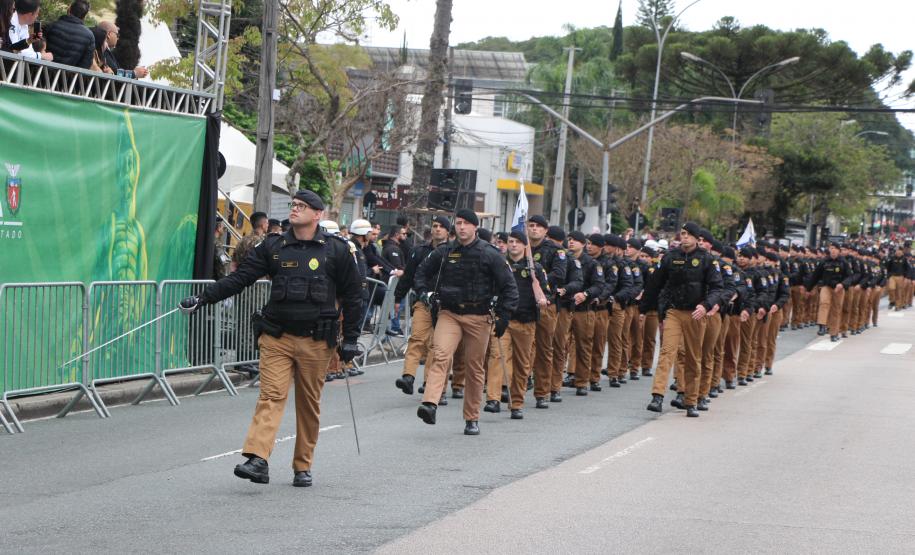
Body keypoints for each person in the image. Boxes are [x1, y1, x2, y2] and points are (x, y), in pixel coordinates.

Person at [178, 190, 361, 487]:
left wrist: (351, 338)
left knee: (308, 404)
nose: (295, 209)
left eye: (303, 206)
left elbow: (354, 295)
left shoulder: (337, 250)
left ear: (318, 214)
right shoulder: (274, 247)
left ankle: (303, 465)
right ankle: (258, 460)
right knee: (271, 397)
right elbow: (241, 278)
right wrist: (203, 297)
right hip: (277, 336)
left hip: (317, 340)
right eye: (294, 204)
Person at [413, 209, 519, 435]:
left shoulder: (490, 253)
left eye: (466, 223)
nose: (461, 227)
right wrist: (425, 294)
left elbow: (509, 287)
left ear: (475, 227)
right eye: (458, 223)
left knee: (474, 368)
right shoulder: (445, 251)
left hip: (479, 316)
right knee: (440, 355)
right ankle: (430, 404)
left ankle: (472, 418)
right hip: (449, 313)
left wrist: (504, 316)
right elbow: (421, 273)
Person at [642, 222, 723, 417]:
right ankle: (657, 396)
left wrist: (706, 305)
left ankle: (691, 401)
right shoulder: (671, 257)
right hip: (674, 312)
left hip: (696, 313)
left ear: (696, 238)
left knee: (693, 358)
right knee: (667, 352)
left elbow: (717, 288)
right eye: (682, 234)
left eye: (688, 234)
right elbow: (655, 285)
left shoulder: (707, 260)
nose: (684, 237)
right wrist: (644, 309)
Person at [484, 231, 548, 417]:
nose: (513, 245)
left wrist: (543, 300)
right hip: (502, 319)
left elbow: (545, 292)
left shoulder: (535, 268)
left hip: (526, 320)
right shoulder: (499, 264)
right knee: (497, 356)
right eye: (510, 241)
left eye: (518, 242)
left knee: (522, 364)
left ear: (525, 246)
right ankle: (493, 399)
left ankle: (517, 403)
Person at [393, 215, 450, 395]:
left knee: (437, 345)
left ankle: (430, 383)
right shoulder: (419, 251)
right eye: (435, 226)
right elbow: (409, 275)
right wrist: (397, 297)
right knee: (417, 338)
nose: (437, 229)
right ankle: (408, 376)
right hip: (423, 301)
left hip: (446, 305)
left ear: (448, 231)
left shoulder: (453, 251)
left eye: (442, 226)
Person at [527, 216, 572, 407]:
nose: (534, 229)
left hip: (547, 304)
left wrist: (536, 280)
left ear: (546, 230)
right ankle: (516, 388)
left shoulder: (556, 250)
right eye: (531, 226)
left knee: (545, 348)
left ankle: (543, 391)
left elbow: (559, 274)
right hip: (523, 303)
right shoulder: (523, 247)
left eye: (538, 226)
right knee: (523, 348)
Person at [805, 242, 852, 342]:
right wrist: (808, 289)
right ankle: (822, 326)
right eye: (831, 248)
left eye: (835, 248)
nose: (833, 250)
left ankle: (834, 333)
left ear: (839, 251)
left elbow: (849, 276)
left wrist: (843, 284)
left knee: (836, 311)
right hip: (826, 286)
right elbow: (815, 276)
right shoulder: (824, 261)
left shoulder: (843, 262)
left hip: (839, 288)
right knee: (824, 303)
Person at [44, 0, 93, 69]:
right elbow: (86, 64)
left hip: (42, 73)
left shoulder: (51, 26)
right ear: (85, 16)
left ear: (69, 9)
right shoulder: (89, 36)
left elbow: (38, 48)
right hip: (67, 78)